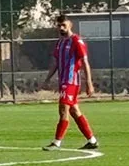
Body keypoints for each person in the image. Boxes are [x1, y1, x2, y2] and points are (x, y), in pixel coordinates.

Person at [42, 14, 98, 151]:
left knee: (63, 109)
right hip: (63, 82)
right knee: (74, 111)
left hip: (71, 81)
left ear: (70, 25)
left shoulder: (76, 41)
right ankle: (92, 140)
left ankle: (57, 142)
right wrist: (47, 79)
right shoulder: (60, 42)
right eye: (59, 25)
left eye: (63, 25)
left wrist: (89, 83)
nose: (61, 28)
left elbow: (85, 62)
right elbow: (55, 63)